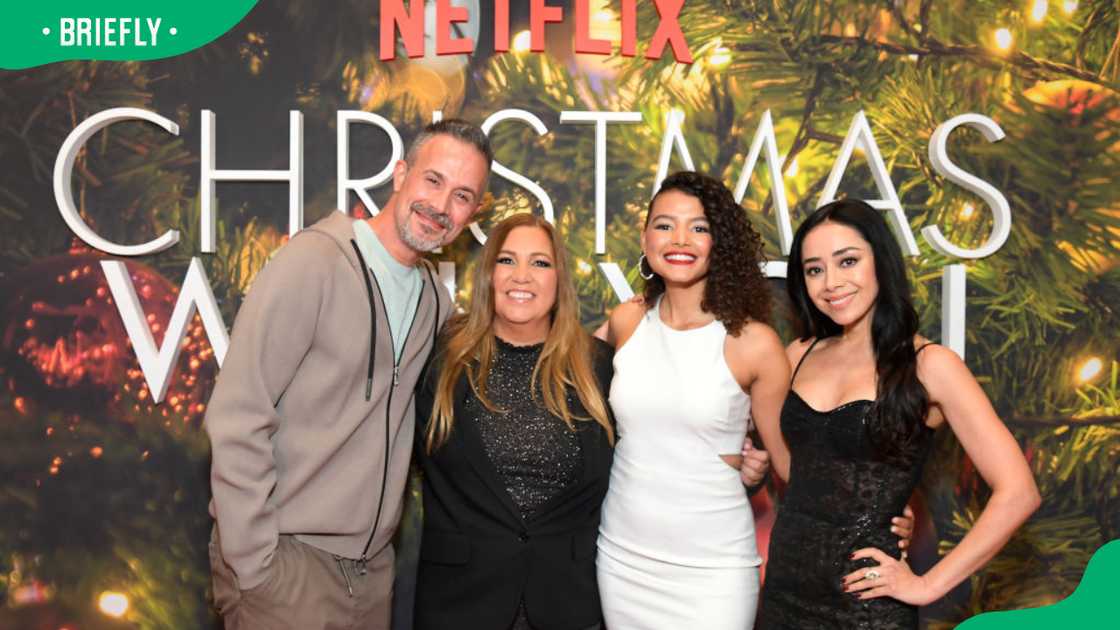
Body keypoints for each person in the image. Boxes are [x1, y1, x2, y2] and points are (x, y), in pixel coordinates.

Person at [204, 119, 492, 630]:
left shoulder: (433, 300)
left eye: (462, 195)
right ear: (400, 174)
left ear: (473, 211)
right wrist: (255, 566)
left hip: (372, 574)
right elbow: (239, 413)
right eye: (433, 180)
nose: (441, 206)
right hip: (287, 567)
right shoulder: (314, 262)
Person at [756, 199, 1040, 629]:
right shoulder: (798, 353)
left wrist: (926, 586)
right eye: (814, 269)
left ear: (881, 264)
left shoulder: (930, 365)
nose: (831, 282)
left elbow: (1018, 492)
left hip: (864, 607)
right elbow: (797, 471)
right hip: (782, 596)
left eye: (847, 261)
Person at [595, 171, 791, 629]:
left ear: (718, 243)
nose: (679, 239)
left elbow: (791, 463)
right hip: (623, 560)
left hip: (714, 572)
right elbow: (560, 381)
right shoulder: (626, 321)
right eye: (665, 225)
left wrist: (873, 515)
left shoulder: (754, 342)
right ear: (645, 239)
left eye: (699, 227)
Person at [412, 213, 616, 630]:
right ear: (488, 275)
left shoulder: (598, 368)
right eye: (507, 261)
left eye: (540, 263)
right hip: (459, 604)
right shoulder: (441, 359)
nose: (521, 276)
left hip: (567, 605)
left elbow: (655, 454)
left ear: (559, 280)